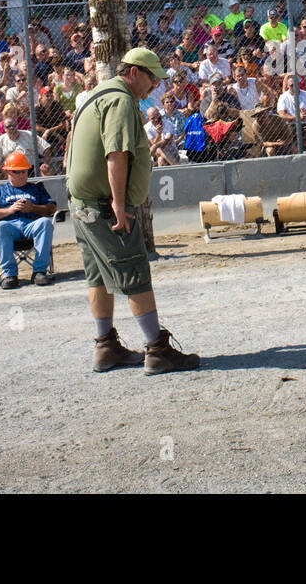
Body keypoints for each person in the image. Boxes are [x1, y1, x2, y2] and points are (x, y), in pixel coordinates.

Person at [65, 47, 199, 374]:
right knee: (134, 271)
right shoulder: (122, 100)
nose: (155, 86)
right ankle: (157, 350)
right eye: (152, 78)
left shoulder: (99, 93)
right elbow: (117, 154)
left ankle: (105, 346)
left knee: (98, 275)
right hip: (102, 206)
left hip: (82, 203)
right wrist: (120, 206)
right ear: (135, 72)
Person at [0, 152, 57, 288]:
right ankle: (10, 274)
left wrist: (33, 208)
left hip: (32, 224)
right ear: (8, 172)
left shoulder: (36, 188)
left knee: (45, 222)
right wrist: (9, 210)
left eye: (24, 171)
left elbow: (51, 208)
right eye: (17, 172)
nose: (22, 175)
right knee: (0, 227)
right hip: (10, 226)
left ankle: (39, 271)